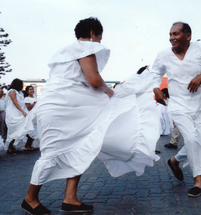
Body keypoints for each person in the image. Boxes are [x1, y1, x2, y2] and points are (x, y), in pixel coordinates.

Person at [21, 17, 159, 215]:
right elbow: (94, 81)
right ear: (93, 34)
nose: (100, 42)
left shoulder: (65, 52)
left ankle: (70, 198)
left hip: (62, 108)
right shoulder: (85, 48)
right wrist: (110, 91)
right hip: (62, 110)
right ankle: (30, 198)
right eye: (100, 38)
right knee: (52, 154)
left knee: (83, 146)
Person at [151, 22, 201, 197]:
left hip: (200, 105)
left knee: (197, 142)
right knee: (191, 139)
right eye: (170, 34)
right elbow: (154, 74)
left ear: (188, 36)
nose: (172, 38)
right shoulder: (163, 55)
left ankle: (175, 161)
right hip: (178, 105)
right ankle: (198, 182)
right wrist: (156, 89)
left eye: (176, 34)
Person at [5, 79, 34, 154]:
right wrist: (23, 111)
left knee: (20, 130)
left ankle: (13, 146)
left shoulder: (19, 93)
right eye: (22, 84)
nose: (23, 86)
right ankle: (10, 147)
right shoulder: (12, 92)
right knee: (14, 130)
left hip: (19, 112)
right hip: (13, 113)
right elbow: (15, 103)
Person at [24, 85, 39, 149]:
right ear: (27, 91)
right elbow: (29, 108)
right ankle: (27, 145)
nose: (32, 90)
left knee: (36, 130)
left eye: (32, 89)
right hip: (31, 116)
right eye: (30, 89)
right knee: (31, 131)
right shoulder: (27, 99)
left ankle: (30, 145)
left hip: (36, 116)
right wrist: (34, 103)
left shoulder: (35, 98)